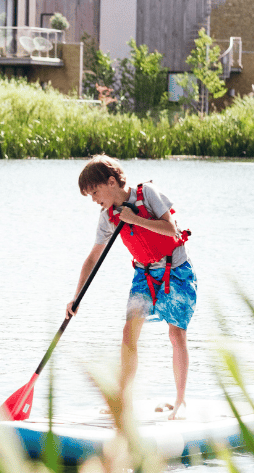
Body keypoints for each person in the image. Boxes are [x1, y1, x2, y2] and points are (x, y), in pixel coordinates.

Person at [66, 155, 196, 420]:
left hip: (175, 271)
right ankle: (122, 402)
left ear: (111, 182)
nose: (94, 200)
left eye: (94, 192)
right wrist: (76, 297)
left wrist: (135, 220)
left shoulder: (147, 194)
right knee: (129, 334)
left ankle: (180, 401)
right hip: (143, 275)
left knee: (176, 334)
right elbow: (92, 258)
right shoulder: (107, 217)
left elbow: (170, 229)